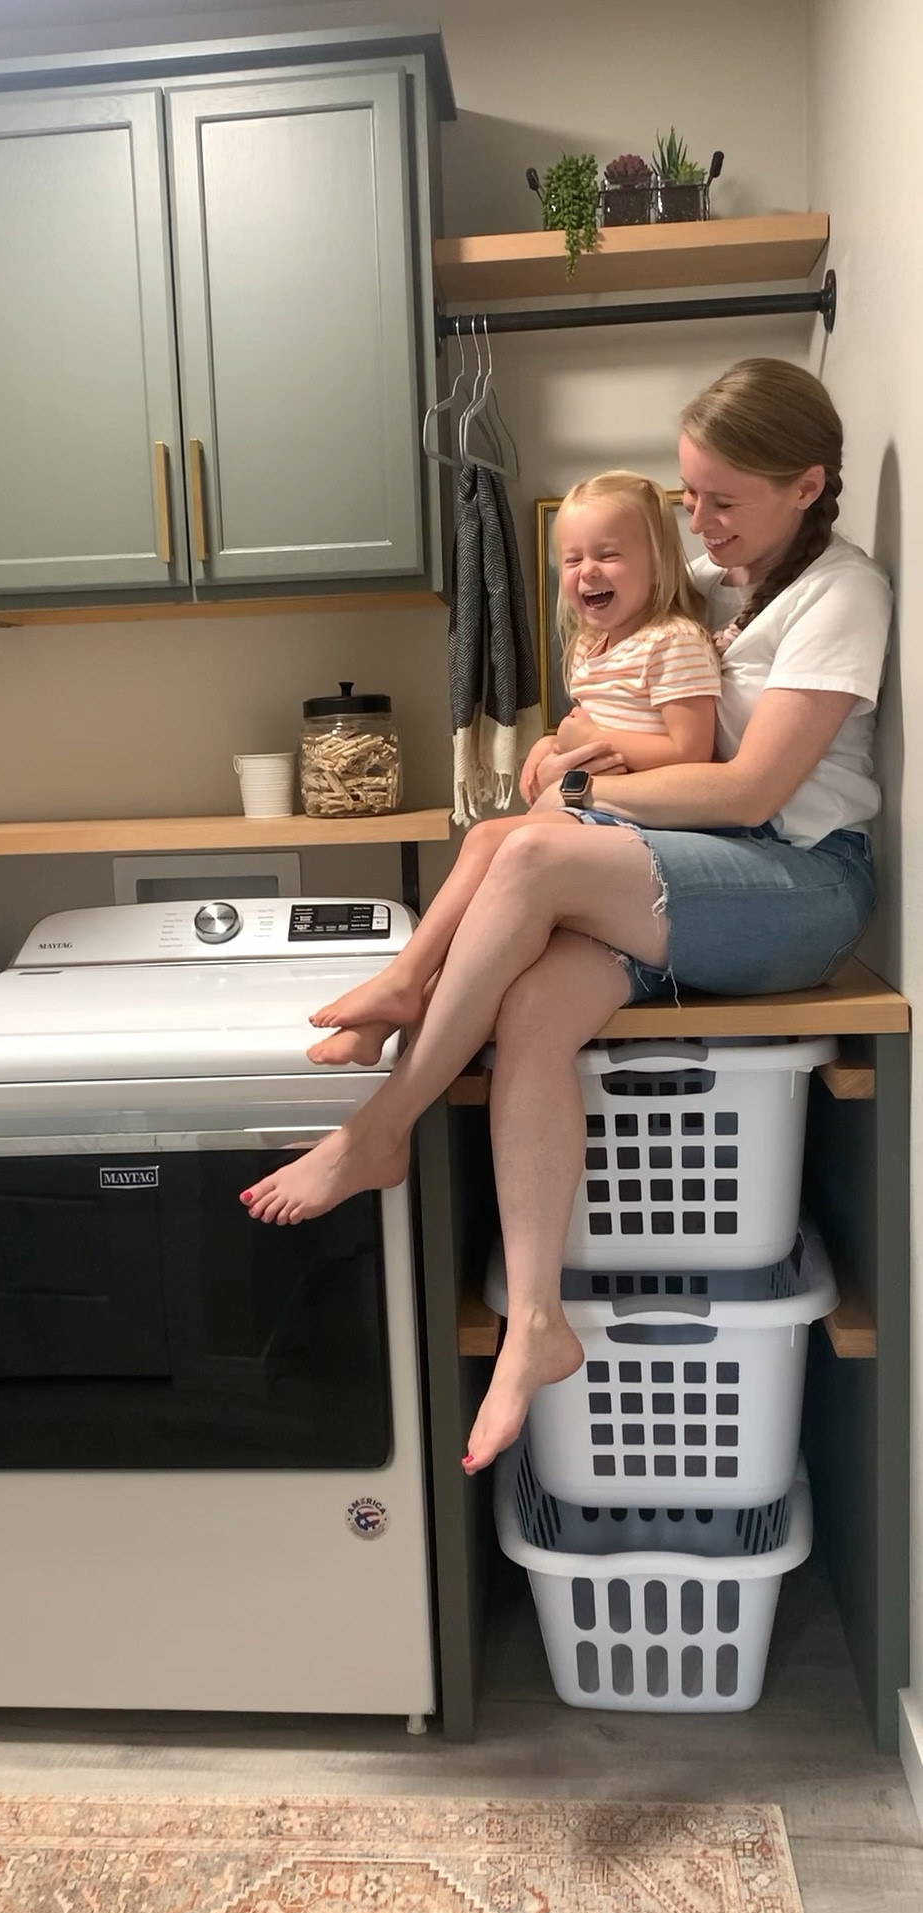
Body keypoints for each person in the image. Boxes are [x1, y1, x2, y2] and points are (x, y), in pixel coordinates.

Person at [240, 357, 892, 1479]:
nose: (701, 525)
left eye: (724, 501)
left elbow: (751, 790)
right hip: (695, 876)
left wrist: (578, 787)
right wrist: (568, 742)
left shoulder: (840, 593)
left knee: (532, 846)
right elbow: (629, 624)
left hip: (798, 890)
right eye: (689, 496)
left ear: (807, 486)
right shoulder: (722, 580)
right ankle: (537, 1321)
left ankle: (385, 1119)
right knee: (533, 1008)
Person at [304, 470, 721, 1070]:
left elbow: (692, 751)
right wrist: (549, 744)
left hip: (653, 826)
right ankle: (391, 1011)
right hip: (602, 815)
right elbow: (592, 727)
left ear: (658, 564)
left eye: (608, 555)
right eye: (572, 559)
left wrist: (586, 739)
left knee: (487, 841)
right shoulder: (592, 647)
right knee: (484, 915)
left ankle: (403, 981)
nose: (588, 571)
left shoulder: (673, 641)